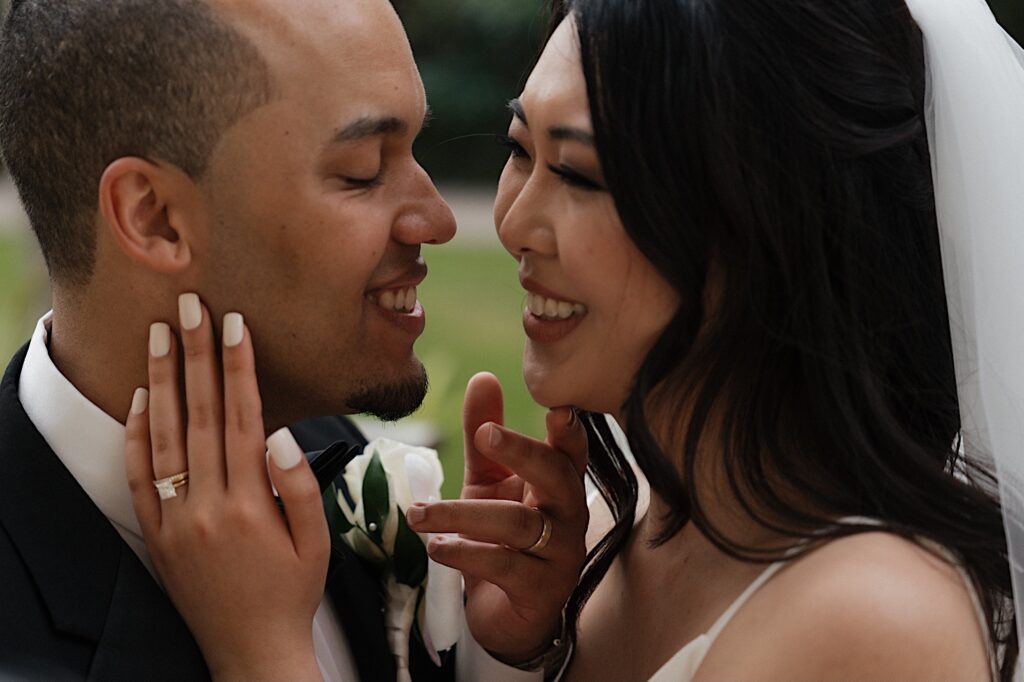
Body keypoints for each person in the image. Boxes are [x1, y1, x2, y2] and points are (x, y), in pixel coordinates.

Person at [126, 0, 1024, 680]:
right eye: (521, 151)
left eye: (580, 175)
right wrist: (523, 657)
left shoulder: (872, 621)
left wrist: (265, 651)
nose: (510, 222)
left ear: (764, 230)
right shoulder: (596, 533)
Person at [0, 0, 580, 679]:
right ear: (154, 218)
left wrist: (497, 657)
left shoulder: (322, 445)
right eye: (363, 169)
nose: (439, 219)